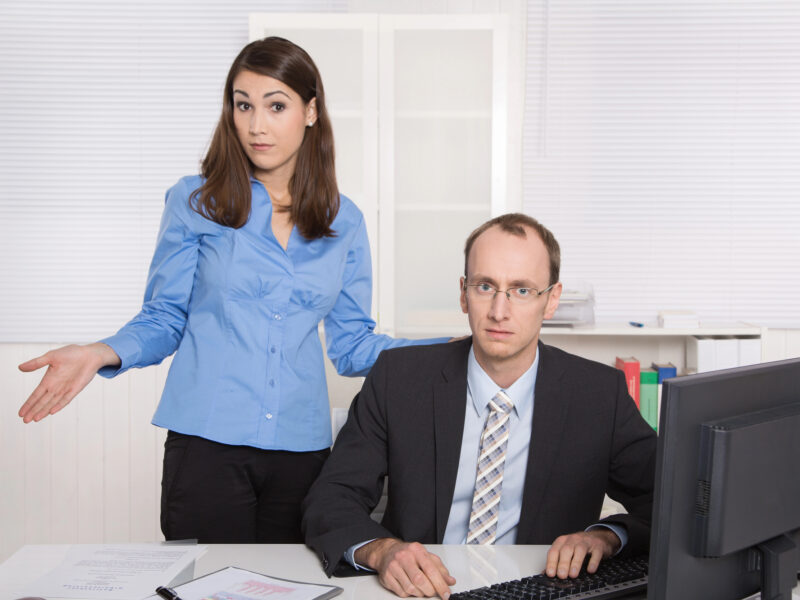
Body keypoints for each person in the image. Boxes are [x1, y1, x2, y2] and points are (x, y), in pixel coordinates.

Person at [16, 37, 444, 544]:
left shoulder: (343, 221)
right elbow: (164, 317)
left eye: (276, 106)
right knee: (204, 584)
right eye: (243, 105)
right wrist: (99, 352)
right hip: (206, 446)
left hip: (301, 451)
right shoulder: (194, 202)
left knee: (294, 588)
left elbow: (352, 346)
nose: (256, 125)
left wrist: (448, 353)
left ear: (310, 112)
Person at [302, 213, 657, 599]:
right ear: (462, 293)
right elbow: (331, 497)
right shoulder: (399, 379)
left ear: (551, 300)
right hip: (419, 591)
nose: (498, 312)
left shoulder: (597, 394)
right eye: (485, 286)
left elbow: (673, 498)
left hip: (538, 591)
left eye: (522, 290)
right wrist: (383, 550)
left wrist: (608, 536)